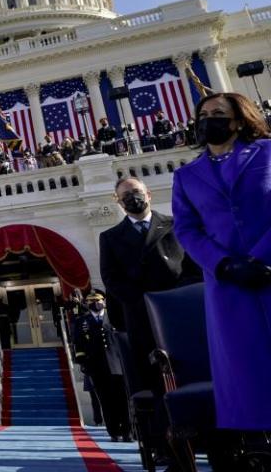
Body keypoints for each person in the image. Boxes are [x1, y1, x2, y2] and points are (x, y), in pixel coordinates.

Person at [171, 92, 271, 432]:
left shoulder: (268, 153)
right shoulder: (186, 176)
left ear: (238, 120)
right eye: (203, 115)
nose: (208, 119)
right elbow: (186, 229)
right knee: (247, 371)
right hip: (229, 284)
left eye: (218, 113)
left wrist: (259, 258)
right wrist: (225, 264)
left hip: (268, 268)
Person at [99, 176, 200, 391]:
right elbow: (111, 278)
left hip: (181, 312)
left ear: (149, 194)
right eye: (125, 195)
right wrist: (144, 300)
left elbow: (194, 267)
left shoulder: (175, 225)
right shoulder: (110, 237)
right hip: (142, 317)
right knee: (153, 380)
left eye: (135, 191)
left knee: (192, 373)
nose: (132, 198)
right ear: (119, 202)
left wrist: (175, 297)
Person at [72, 293, 132, 442]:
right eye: (91, 301)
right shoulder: (81, 321)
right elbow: (78, 344)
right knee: (106, 401)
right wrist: (83, 363)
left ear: (103, 301)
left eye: (97, 300)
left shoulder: (114, 317)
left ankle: (127, 431)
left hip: (117, 365)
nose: (95, 303)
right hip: (97, 367)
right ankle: (114, 431)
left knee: (122, 399)